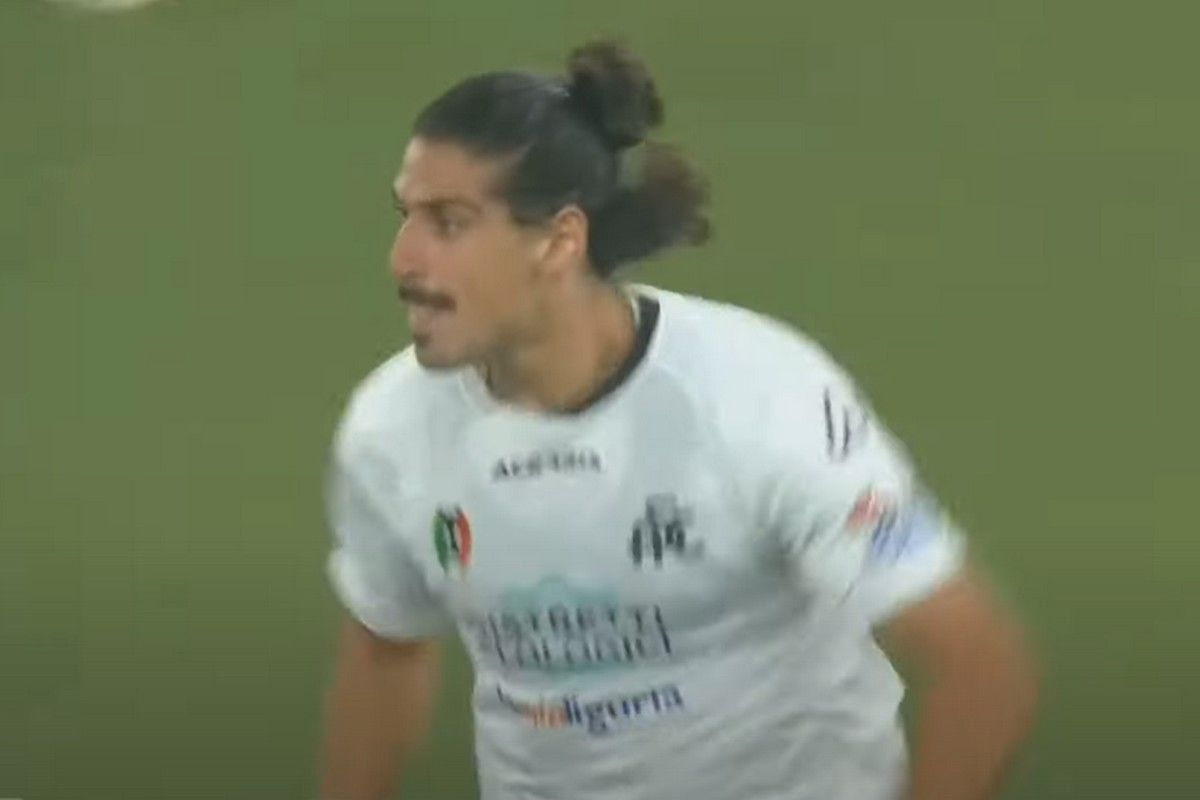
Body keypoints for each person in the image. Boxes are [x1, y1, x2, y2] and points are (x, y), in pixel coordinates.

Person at [318, 40, 1039, 800]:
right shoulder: (388, 431)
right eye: (406, 216)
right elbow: (386, 648)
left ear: (559, 241)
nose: (403, 259)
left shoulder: (761, 399)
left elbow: (980, 664)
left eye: (448, 223)